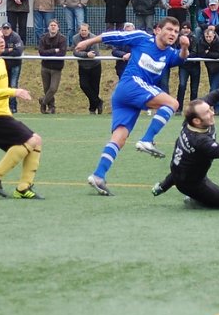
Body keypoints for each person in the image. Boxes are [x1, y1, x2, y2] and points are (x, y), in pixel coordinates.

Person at [75, 17, 189, 196]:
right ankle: (147, 139)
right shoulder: (142, 38)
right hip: (131, 85)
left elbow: (180, 60)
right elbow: (113, 36)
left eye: (176, 31)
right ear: (157, 30)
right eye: (169, 29)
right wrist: (88, 42)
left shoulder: (169, 53)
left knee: (119, 138)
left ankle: (98, 176)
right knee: (172, 103)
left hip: (127, 97)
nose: (173, 34)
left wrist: (184, 47)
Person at [150, 77, 219, 209]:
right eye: (207, 113)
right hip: (191, 183)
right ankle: (192, 197)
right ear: (197, 121)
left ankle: (163, 185)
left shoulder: (191, 118)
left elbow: (210, 98)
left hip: (180, 169)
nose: (212, 113)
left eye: (210, 109)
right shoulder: (201, 141)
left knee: (184, 167)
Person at [0, 26, 44, 200]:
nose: (1, 40)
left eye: (2, 37)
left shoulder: (0, 62)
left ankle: (23, 188)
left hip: (2, 114)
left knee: (36, 142)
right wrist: (13, 91)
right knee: (32, 140)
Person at [71, 22, 103, 114]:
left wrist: (85, 53)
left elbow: (93, 53)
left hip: (95, 65)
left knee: (95, 88)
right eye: (82, 30)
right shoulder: (75, 38)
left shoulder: (93, 37)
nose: (83, 32)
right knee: (83, 85)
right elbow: (75, 52)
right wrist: (86, 54)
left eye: (85, 30)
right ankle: (98, 102)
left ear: (88, 30)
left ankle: (92, 109)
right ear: (79, 31)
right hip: (83, 66)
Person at [37, 19, 67, 114]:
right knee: (46, 88)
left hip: (56, 68)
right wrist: (54, 51)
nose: (53, 27)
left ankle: (43, 102)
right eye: (51, 25)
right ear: (48, 27)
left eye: (55, 25)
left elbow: (62, 53)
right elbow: (41, 52)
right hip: (45, 66)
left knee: (53, 88)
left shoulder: (62, 39)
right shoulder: (43, 38)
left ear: (58, 28)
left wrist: (49, 54)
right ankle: (51, 107)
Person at [198, 26, 219, 115]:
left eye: (210, 37)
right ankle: (217, 108)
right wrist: (209, 54)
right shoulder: (202, 41)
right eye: (206, 37)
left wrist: (209, 53)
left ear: (214, 35)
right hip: (210, 68)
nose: (208, 39)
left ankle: (217, 109)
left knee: (213, 88)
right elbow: (201, 53)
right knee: (214, 88)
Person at [176, 21, 200, 112]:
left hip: (194, 65)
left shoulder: (194, 38)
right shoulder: (178, 39)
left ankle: (193, 109)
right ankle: (179, 108)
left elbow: (195, 52)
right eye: (184, 28)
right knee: (182, 85)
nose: (185, 30)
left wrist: (185, 55)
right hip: (183, 66)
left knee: (194, 88)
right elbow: (176, 50)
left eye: (187, 28)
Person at [0, 22, 24, 113]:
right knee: (4, 86)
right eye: (4, 29)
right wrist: (8, 50)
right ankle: (5, 106)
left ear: (11, 29)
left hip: (15, 64)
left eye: (7, 28)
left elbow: (18, 51)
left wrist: (4, 51)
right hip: (3, 65)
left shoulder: (16, 37)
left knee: (13, 85)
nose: (6, 30)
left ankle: (13, 107)